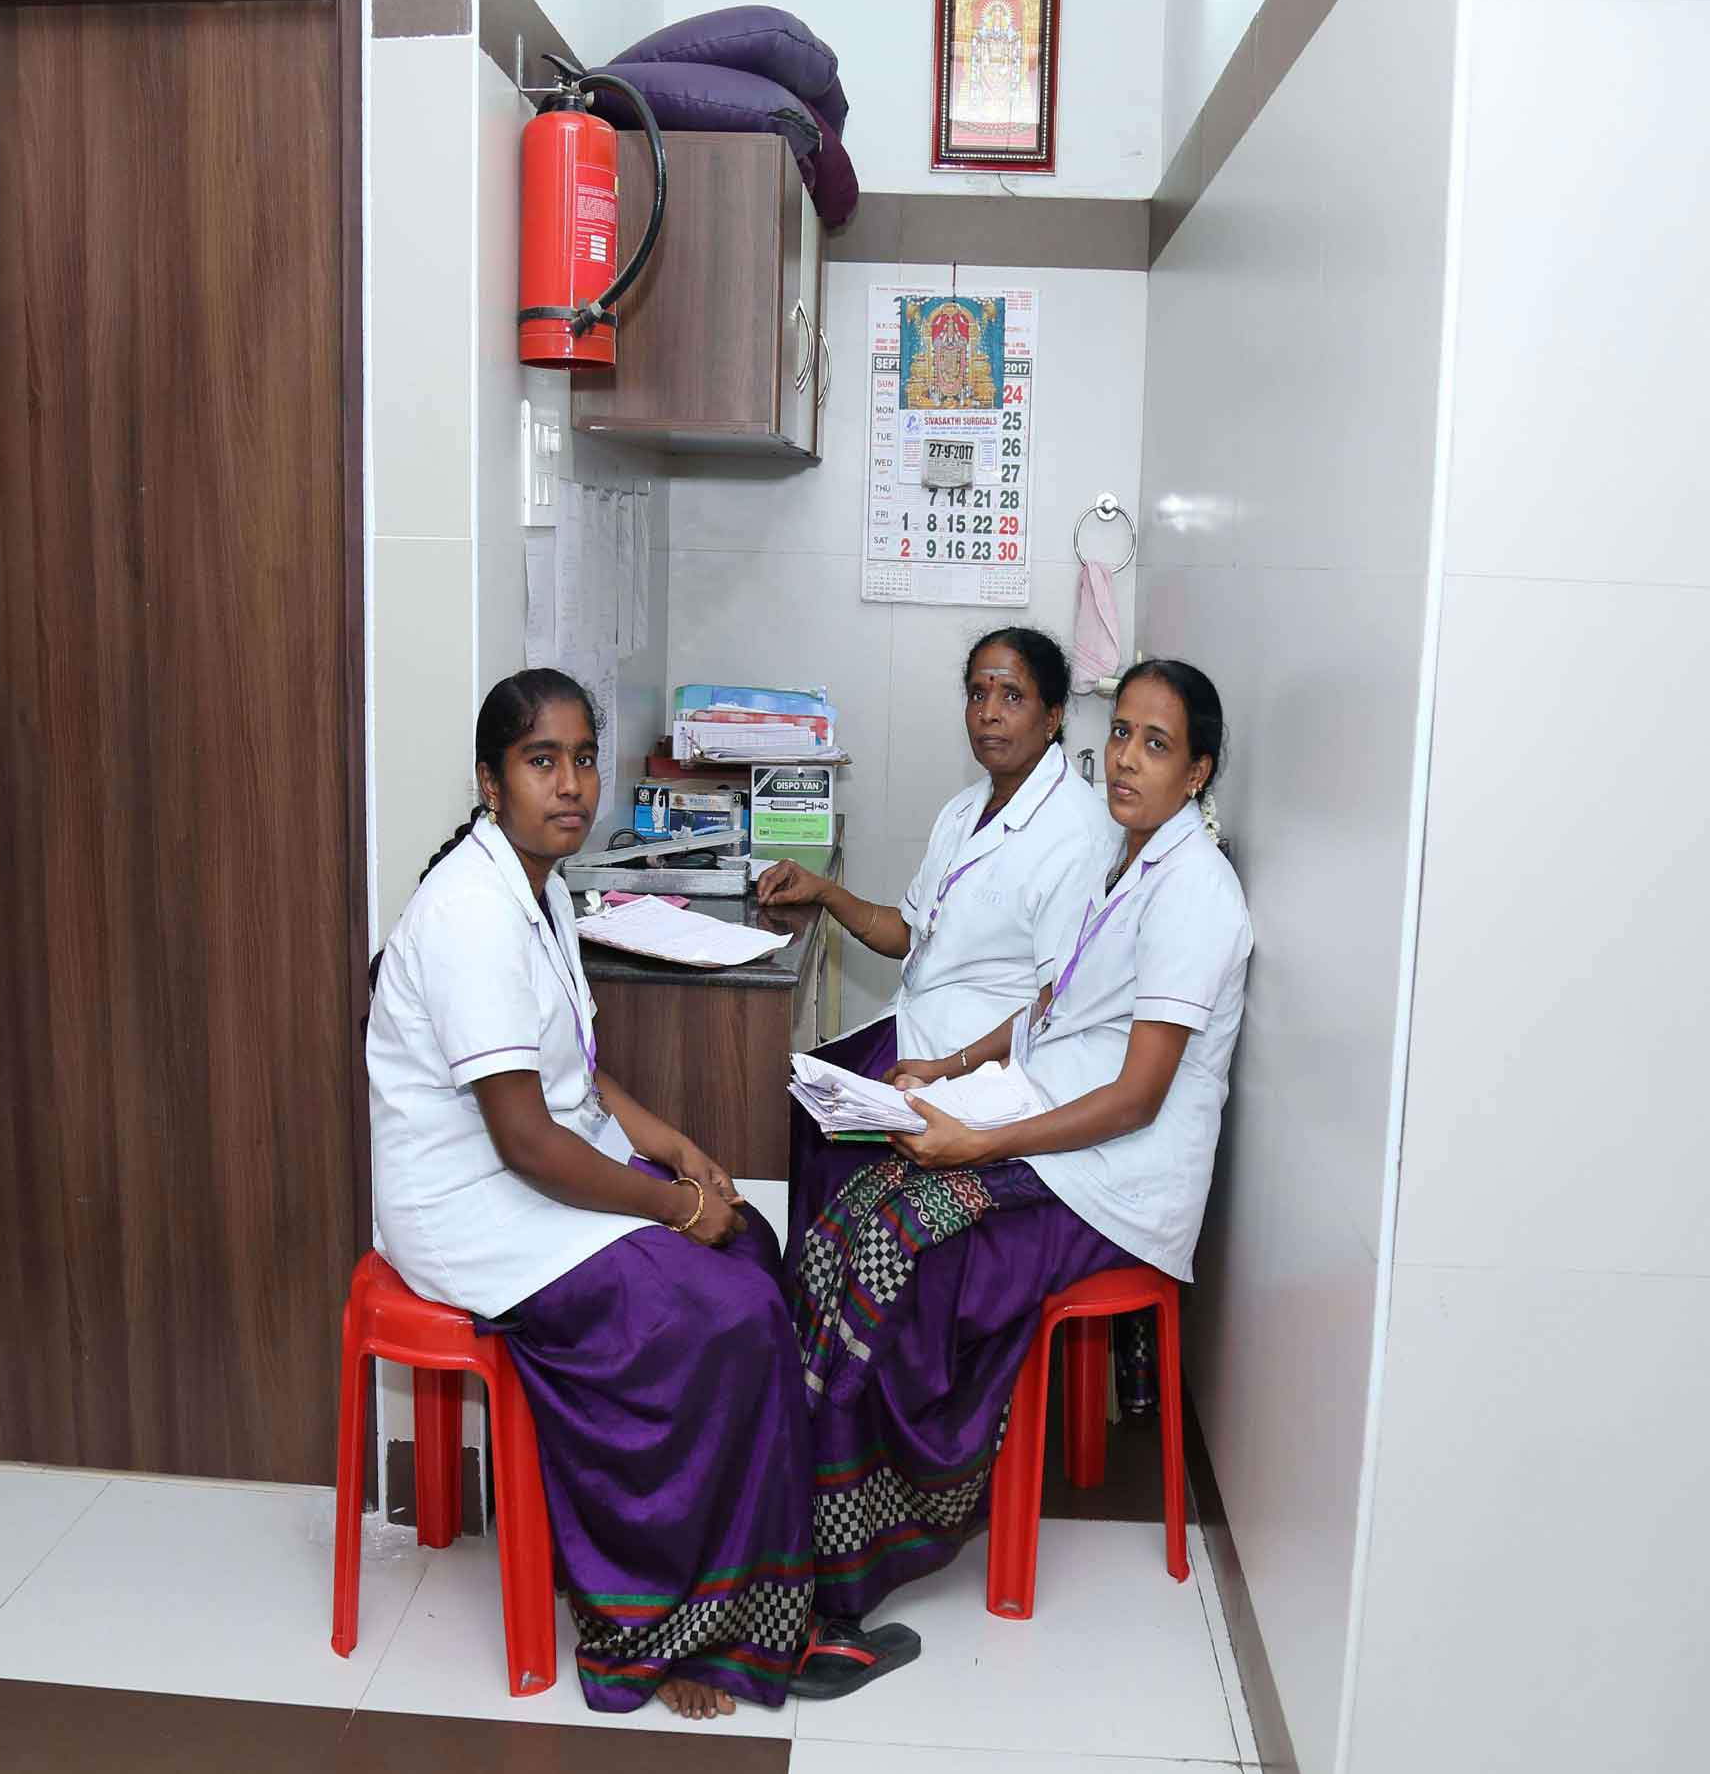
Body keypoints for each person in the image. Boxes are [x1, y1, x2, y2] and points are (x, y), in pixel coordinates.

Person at [365, 669, 918, 1722]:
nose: (571, 785)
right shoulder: (471, 914)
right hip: (474, 1210)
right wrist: (670, 1206)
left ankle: (761, 1585)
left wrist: (676, 1147)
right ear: (490, 782)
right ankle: (669, 1630)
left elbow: (573, 1072)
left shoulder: (540, 889)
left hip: (535, 1174)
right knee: (722, 1313)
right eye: (541, 762)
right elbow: (525, 1137)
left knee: (750, 1246)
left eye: (582, 759)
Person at [787, 659, 1252, 1618]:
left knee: (904, 1249)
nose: (1126, 759)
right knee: (858, 1206)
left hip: (1117, 1181)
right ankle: (804, 1490)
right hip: (1049, 1119)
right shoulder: (1119, 859)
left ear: (1198, 771)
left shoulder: (1195, 893)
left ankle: (869, 1537)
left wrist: (978, 1145)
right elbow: (1049, 1005)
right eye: (1120, 734)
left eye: (1156, 745)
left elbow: (1137, 1099)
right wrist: (948, 1070)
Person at [756, 626, 1114, 1247]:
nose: (988, 713)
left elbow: (1056, 1003)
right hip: (919, 1031)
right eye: (977, 694)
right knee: (794, 1106)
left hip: (982, 1066)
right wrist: (824, 892)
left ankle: (814, 1297)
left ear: (1053, 716)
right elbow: (908, 933)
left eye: (1011, 696)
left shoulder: (1076, 832)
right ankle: (798, 1293)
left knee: (825, 1148)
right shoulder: (965, 809)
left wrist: (951, 1068)